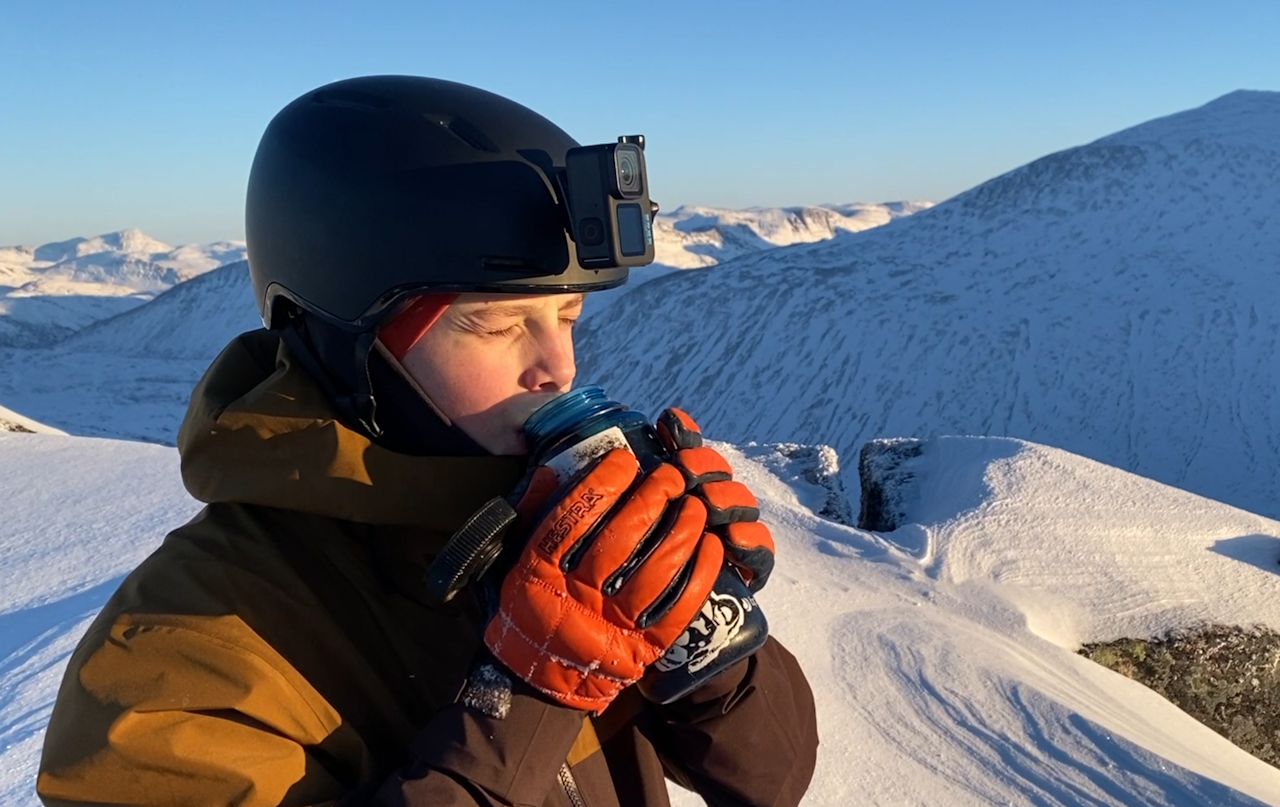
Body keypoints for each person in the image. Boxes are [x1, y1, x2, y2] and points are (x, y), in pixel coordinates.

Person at [37, 75, 818, 807]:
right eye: (496, 324)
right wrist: (524, 696)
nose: (559, 368)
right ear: (352, 347)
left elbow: (773, 777)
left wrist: (710, 637)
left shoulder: (554, 527)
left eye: (568, 317)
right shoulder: (170, 666)